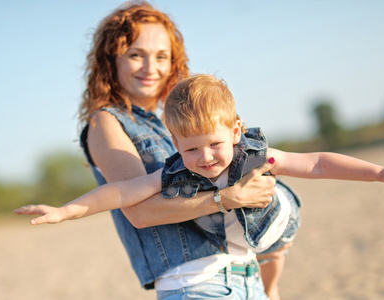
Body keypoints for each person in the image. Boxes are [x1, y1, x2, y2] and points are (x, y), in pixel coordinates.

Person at [15, 74, 384, 299]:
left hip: (271, 233)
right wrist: (67, 210)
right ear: (175, 144)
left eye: (215, 144)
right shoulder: (175, 171)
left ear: (235, 131)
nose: (206, 157)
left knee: (278, 246)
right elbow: (123, 192)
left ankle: (273, 285)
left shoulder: (252, 154)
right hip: (226, 273)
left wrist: (378, 172)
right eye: (191, 148)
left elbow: (316, 163)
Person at [69, 1, 281, 299]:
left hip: (246, 278)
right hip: (196, 287)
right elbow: (140, 213)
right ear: (111, 60)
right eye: (135, 55)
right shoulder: (106, 122)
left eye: (161, 56)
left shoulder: (174, 124)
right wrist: (228, 198)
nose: (150, 67)